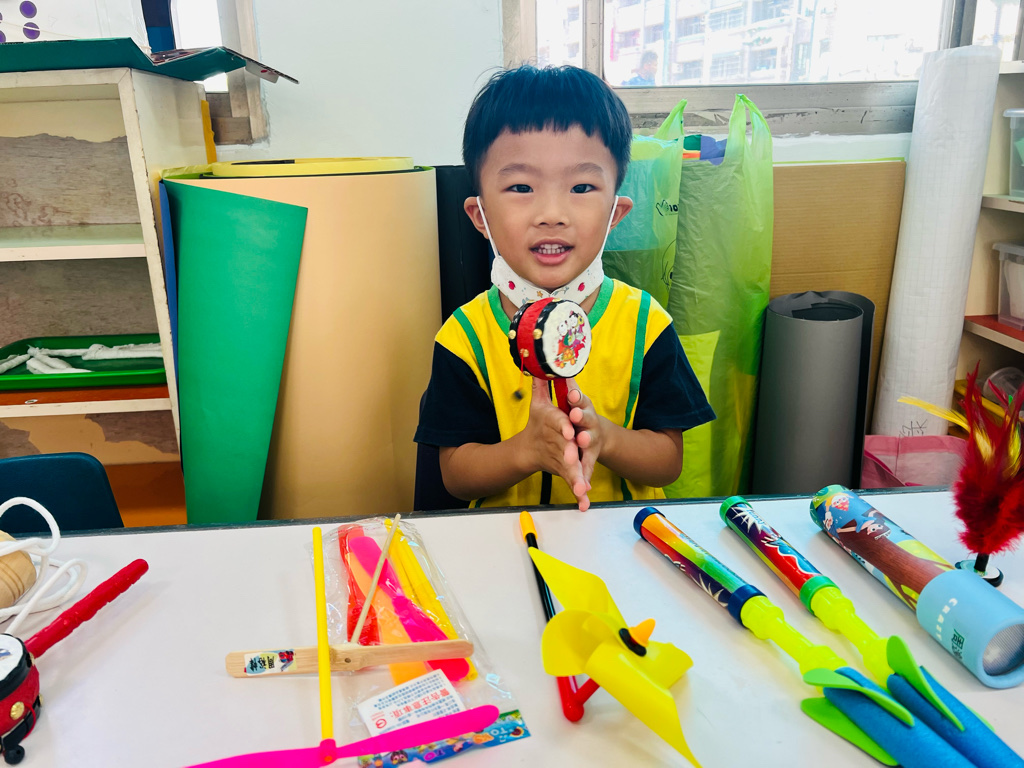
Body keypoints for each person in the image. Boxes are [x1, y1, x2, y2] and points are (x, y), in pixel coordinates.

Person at [415, 65, 714, 511]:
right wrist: (526, 451)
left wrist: (606, 437)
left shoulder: (646, 325)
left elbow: (668, 461)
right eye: (521, 187)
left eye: (581, 186)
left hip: (619, 538)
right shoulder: (464, 338)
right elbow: (456, 476)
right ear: (481, 216)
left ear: (615, 213)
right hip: (506, 539)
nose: (552, 214)